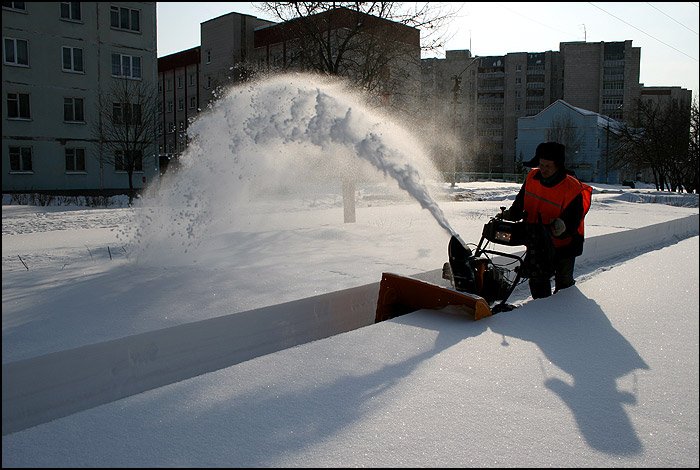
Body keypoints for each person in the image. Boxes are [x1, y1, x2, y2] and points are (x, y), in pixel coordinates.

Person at [498, 142, 592, 299]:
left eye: (548, 166)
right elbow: (520, 202)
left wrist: (563, 226)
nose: (543, 169)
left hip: (565, 242)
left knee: (563, 284)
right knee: (537, 276)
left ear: (558, 166)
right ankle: (541, 310)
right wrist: (511, 214)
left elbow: (575, 218)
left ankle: (567, 311)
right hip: (537, 237)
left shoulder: (571, 187)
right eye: (541, 164)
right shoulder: (532, 177)